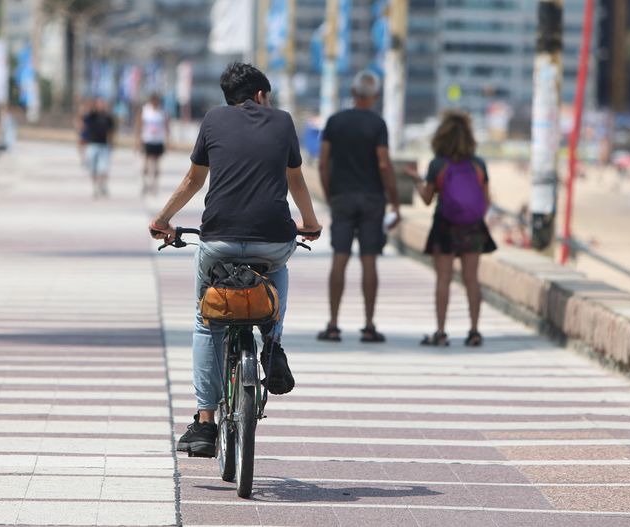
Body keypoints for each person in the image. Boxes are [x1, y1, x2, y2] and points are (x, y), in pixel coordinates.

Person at [149, 62, 321, 457]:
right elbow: (297, 182)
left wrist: (163, 220)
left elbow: (194, 180)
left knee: (206, 321)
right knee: (276, 279)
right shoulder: (282, 122)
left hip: (220, 241)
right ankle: (272, 344)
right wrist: (309, 223)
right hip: (273, 242)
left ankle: (205, 423)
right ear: (261, 95)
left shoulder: (212, 121)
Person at [316, 70, 401, 344]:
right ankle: (368, 324)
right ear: (375, 96)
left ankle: (332, 324)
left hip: (342, 196)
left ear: (353, 93)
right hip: (372, 199)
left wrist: (330, 194)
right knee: (369, 260)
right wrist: (395, 199)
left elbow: (322, 162)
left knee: (339, 258)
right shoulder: (378, 125)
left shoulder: (334, 122)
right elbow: (384, 164)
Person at [406, 110, 497, 347]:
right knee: (472, 280)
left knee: (443, 279)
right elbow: (486, 199)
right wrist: (471, 217)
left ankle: (441, 331)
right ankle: (475, 331)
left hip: (445, 226)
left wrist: (417, 179)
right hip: (473, 228)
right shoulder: (478, 164)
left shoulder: (438, 165)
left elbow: (427, 199)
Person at [135, 93, 169, 195]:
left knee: (157, 164)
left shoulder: (162, 111)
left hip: (158, 140)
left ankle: (154, 184)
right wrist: (137, 140)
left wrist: (168, 140)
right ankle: (145, 183)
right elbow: (139, 125)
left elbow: (167, 126)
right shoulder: (145, 110)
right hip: (147, 139)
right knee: (146, 163)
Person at [82, 98, 116, 198]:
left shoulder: (108, 117)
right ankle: (95, 187)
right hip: (92, 144)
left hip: (104, 145)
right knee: (93, 168)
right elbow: (83, 118)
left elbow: (111, 132)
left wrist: (112, 143)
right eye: (99, 104)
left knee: (103, 168)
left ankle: (102, 185)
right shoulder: (92, 115)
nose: (101, 105)